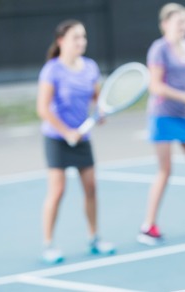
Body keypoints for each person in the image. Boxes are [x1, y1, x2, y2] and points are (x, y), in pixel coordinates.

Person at [37, 19, 115, 264]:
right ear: (61, 41)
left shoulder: (90, 67)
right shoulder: (52, 69)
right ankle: (48, 244)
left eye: (83, 37)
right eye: (76, 38)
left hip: (82, 137)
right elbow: (43, 108)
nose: (81, 42)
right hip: (56, 138)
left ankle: (94, 238)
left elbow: (97, 99)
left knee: (91, 188)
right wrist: (66, 131)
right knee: (58, 190)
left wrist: (99, 113)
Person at [137, 3, 185, 246]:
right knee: (165, 170)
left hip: (184, 116)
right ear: (165, 24)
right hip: (161, 115)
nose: (184, 26)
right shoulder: (159, 49)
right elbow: (155, 86)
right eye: (179, 22)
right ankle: (148, 225)